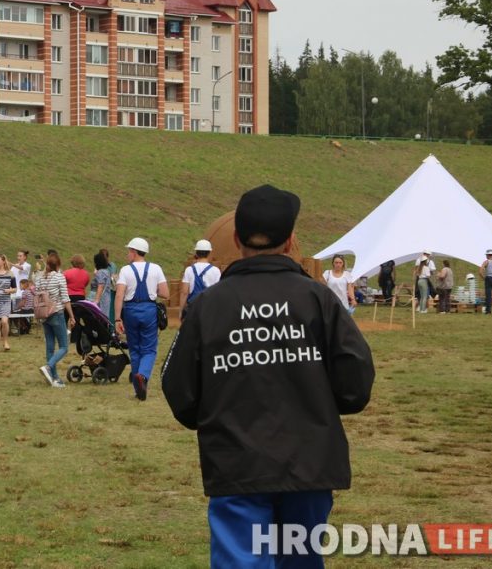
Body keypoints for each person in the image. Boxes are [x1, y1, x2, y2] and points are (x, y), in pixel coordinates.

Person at [162, 184, 375, 568]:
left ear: (239, 240)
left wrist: (214, 421)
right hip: (309, 462)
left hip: (236, 464)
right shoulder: (319, 300)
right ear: (291, 241)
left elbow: (178, 388)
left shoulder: (208, 306)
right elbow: (355, 384)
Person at [114, 238, 169, 401]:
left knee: (135, 348)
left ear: (134, 252)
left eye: (129, 251)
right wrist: (152, 291)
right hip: (149, 310)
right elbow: (165, 293)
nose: (127, 254)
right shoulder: (156, 268)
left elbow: (119, 295)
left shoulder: (125, 270)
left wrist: (117, 319)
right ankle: (143, 376)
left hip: (130, 310)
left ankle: (138, 390)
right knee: (150, 349)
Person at [36, 252, 75, 388]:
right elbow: (65, 299)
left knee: (50, 347)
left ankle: (55, 378)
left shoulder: (39, 278)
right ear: (57, 265)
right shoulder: (59, 277)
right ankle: (48, 367)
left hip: (44, 315)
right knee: (64, 346)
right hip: (57, 313)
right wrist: (71, 316)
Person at [179, 239, 221, 321]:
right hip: (209, 308)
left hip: (192, 308)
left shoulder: (189, 270)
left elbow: (184, 292)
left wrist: (181, 311)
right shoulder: (215, 270)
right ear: (209, 253)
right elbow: (218, 293)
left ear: (196, 253)